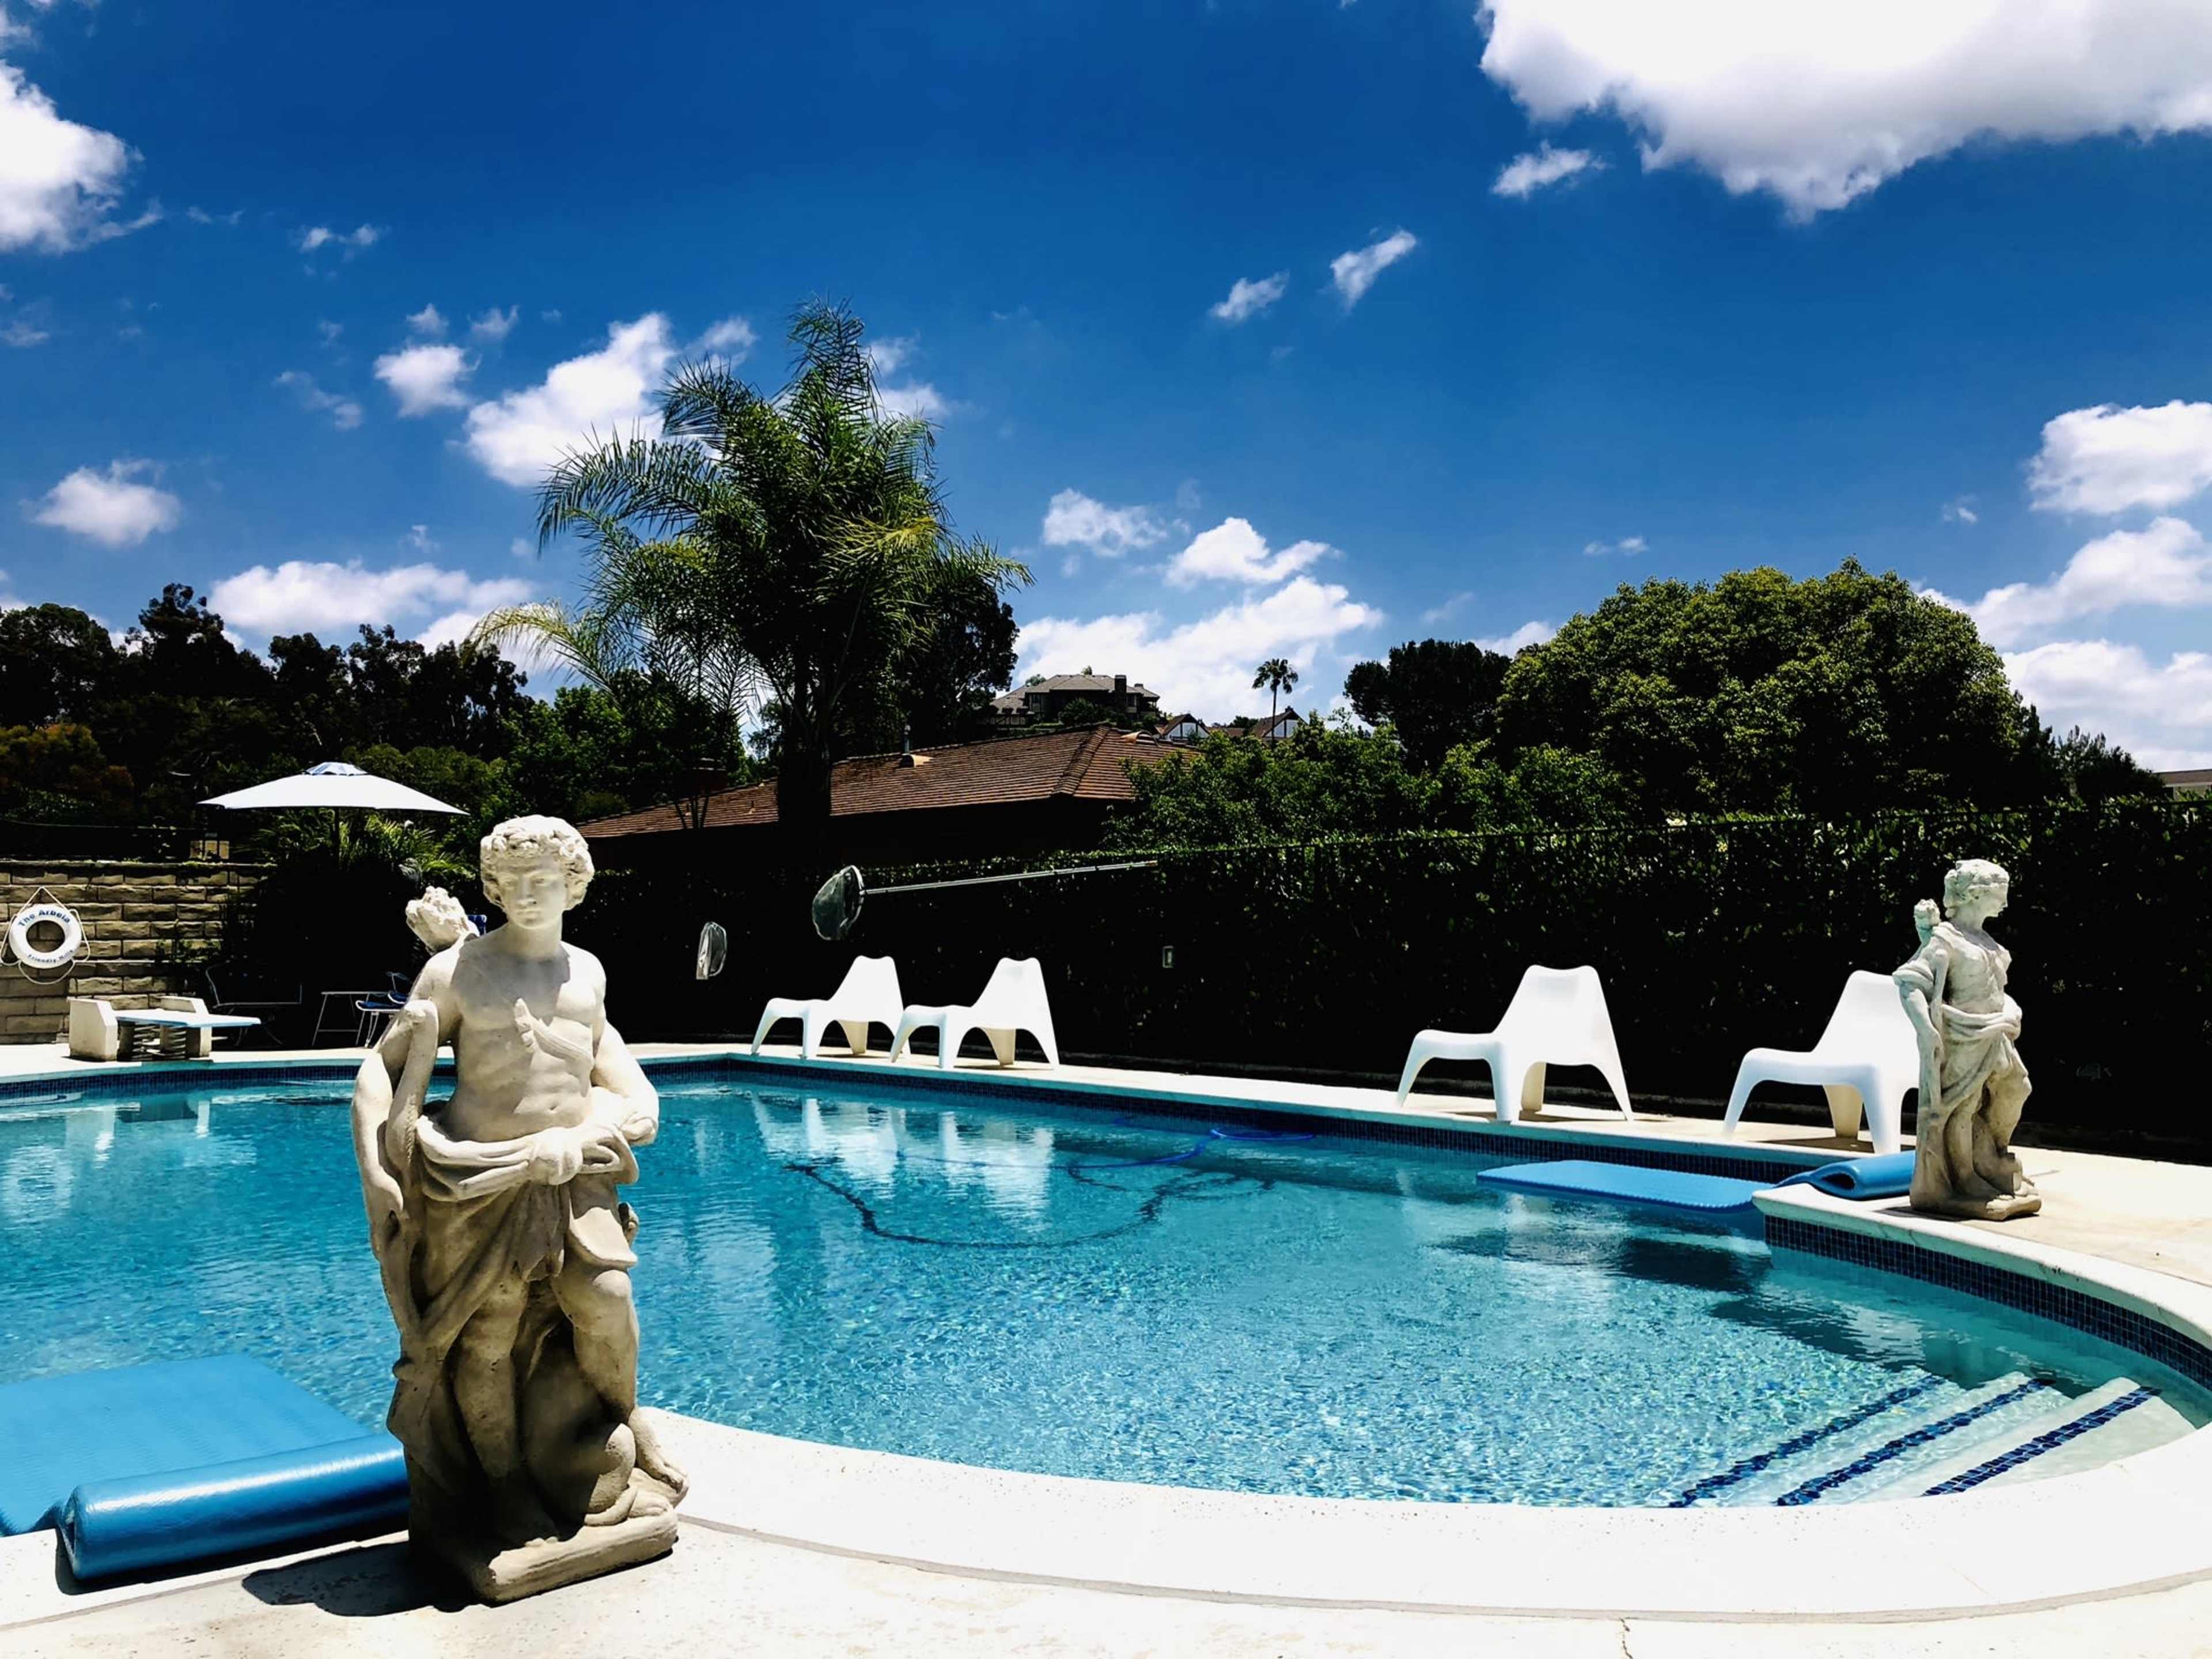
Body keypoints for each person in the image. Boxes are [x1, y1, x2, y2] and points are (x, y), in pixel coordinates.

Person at [352, 815, 684, 1551]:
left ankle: (625, 1414)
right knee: (487, 1333)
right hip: (477, 1177)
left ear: (575, 885)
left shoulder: (588, 973)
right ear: (492, 888)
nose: (530, 895)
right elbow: (380, 1066)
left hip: (571, 1178)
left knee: (607, 1301)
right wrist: (376, 1170)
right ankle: (502, 1489)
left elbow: (624, 1081)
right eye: (513, 883)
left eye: (547, 881)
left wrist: (617, 1121)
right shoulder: (457, 971)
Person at [1893, 858, 2040, 1221]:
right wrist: (1926, 1030)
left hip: (1996, 1032)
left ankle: (1994, 1154)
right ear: (1975, 895)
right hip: (1963, 1035)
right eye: (1999, 895)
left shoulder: (1986, 940)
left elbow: (1997, 988)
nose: (2005, 903)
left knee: (2017, 1088)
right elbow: (1910, 982)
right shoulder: (1946, 939)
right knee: (1963, 1105)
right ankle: (1965, 1178)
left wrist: (2011, 1010)